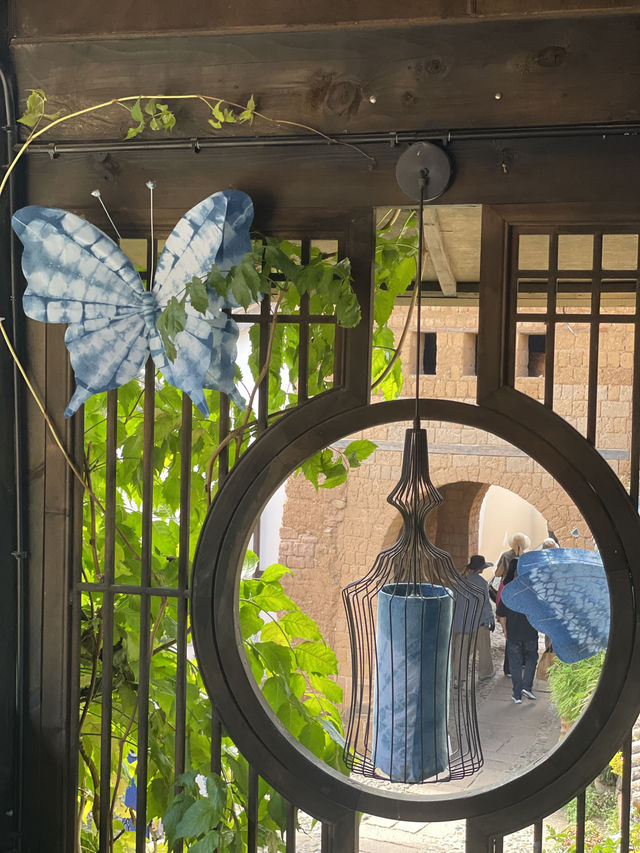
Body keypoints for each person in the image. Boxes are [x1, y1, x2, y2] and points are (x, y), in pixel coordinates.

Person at [496, 558, 539, 704]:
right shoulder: (533, 592)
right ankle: (527, 686)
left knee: (515, 662)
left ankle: (517, 694)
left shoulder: (508, 593)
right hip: (530, 632)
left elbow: (501, 615)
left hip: (513, 632)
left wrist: (504, 630)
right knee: (532, 658)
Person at [451, 555, 495, 686]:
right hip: (479, 621)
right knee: (484, 647)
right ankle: (485, 672)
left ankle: (457, 677)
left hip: (462, 621)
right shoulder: (482, 583)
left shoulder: (458, 581)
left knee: (460, 650)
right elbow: (485, 604)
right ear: (481, 569)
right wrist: (490, 619)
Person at [492, 532, 530, 676]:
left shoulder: (505, 556)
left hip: (507, 590)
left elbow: (497, 574)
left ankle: (509, 667)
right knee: (524, 627)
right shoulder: (526, 558)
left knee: (509, 627)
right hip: (522, 593)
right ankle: (524, 662)